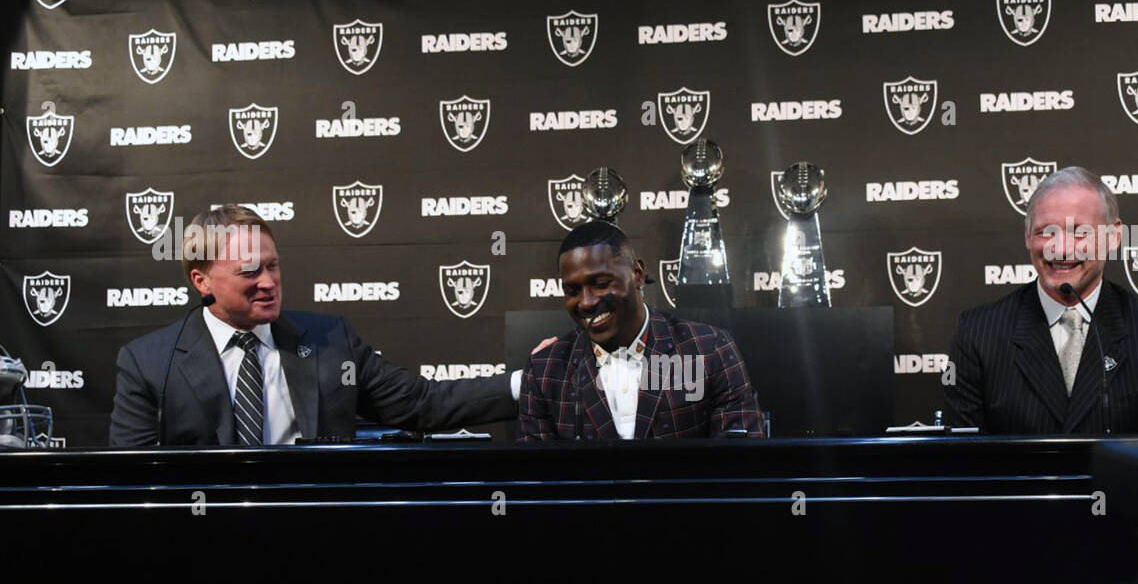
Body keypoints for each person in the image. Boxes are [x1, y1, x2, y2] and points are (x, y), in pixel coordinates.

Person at [109, 205, 546, 446]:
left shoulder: (329, 340)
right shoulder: (150, 364)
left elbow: (422, 404)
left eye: (274, 267)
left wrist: (532, 383)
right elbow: (134, 486)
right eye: (249, 272)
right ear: (201, 280)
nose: (268, 283)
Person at [944, 166, 1138, 434]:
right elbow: (965, 463)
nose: (1061, 248)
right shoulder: (978, 333)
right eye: (1045, 232)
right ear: (1028, 237)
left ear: (1113, 237)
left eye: (1079, 232)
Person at [518, 221, 765, 440]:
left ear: (637, 274)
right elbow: (538, 483)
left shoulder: (708, 349)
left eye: (601, 284)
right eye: (572, 291)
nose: (587, 302)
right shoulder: (546, 370)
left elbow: (743, 467)